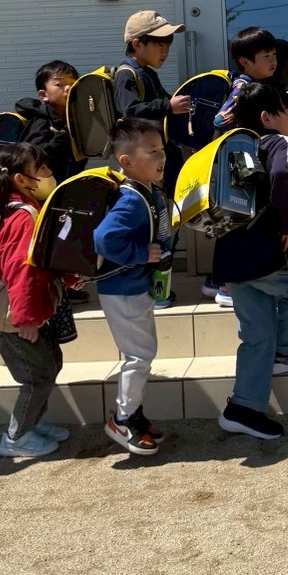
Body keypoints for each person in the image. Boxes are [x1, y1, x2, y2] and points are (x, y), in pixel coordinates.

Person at [214, 82, 288, 442]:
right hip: (263, 251)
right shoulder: (277, 142)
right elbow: (279, 177)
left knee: (257, 337)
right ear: (267, 117)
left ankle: (242, 409)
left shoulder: (231, 145)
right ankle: (287, 352)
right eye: (287, 109)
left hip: (229, 254)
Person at [0, 142, 73, 460]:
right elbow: (19, 269)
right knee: (37, 377)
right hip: (12, 314)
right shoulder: (22, 217)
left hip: (22, 310)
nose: (48, 173)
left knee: (50, 364)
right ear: (21, 179)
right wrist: (25, 318)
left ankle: (32, 423)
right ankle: (16, 436)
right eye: (42, 168)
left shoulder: (21, 209)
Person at [92, 117, 173, 456]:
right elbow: (103, 238)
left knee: (141, 353)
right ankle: (122, 420)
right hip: (123, 289)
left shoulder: (143, 191)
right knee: (139, 355)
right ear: (126, 161)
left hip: (131, 287)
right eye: (152, 151)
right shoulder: (130, 199)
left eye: (161, 150)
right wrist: (141, 254)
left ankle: (134, 415)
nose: (161, 157)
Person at [113, 10, 190, 200]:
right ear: (137, 44)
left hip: (157, 155)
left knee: (168, 204)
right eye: (160, 44)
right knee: (147, 205)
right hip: (141, 161)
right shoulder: (126, 74)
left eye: (168, 44)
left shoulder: (148, 73)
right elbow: (129, 111)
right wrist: (167, 106)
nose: (165, 51)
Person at [17, 59, 81, 184]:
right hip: (42, 188)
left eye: (73, 83)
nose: (68, 88)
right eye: (59, 84)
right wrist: (57, 142)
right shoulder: (41, 120)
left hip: (67, 185)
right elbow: (30, 157)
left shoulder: (74, 120)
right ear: (43, 95)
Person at [214, 26, 279, 130]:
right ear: (244, 62)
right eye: (266, 56)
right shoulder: (243, 88)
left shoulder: (265, 83)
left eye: (274, 54)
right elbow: (219, 122)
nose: (273, 60)